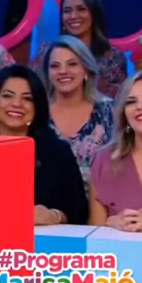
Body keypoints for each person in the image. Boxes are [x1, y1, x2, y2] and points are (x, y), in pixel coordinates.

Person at [0, 65, 88, 225]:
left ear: (37, 107)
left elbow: (79, 212)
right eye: (7, 96)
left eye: (27, 98)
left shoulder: (57, 152)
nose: (17, 104)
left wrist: (54, 215)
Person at [89, 70, 142, 231]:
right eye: (130, 102)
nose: (140, 106)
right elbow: (94, 232)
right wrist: (110, 223)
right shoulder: (105, 161)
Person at [38, 35, 113, 192]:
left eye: (72, 64)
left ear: (86, 69)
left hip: (103, 201)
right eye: (55, 66)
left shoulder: (109, 111)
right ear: (48, 73)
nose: (63, 71)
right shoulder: (37, 114)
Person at [31, 0, 127, 98]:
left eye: (81, 9)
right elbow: (32, 90)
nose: (73, 16)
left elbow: (120, 101)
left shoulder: (112, 57)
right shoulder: (47, 52)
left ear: (94, 14)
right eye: (67, 11)